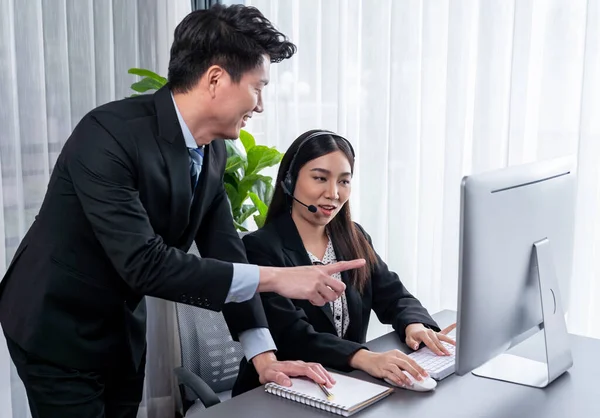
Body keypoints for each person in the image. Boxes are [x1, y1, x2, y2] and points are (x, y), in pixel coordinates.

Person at [0, 6, 365, 418]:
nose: (260, 105)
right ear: (214, 79)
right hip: (55, 325)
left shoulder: (212, 151)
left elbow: (226, 252)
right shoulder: (107, 135)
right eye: (257, 87)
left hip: (119, 328)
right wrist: (279, 279)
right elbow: (145, 263)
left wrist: (263, 356)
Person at [232, 129, 456, 396]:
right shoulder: (261, 247)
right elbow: (291, 335)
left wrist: (415, 325)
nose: (333, 193)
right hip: (279, 389)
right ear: (290, 182)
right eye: (320, 178)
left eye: (344, 181)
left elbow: (394, 295)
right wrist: (364, 357)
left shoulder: (353, 237)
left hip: (344, 385)